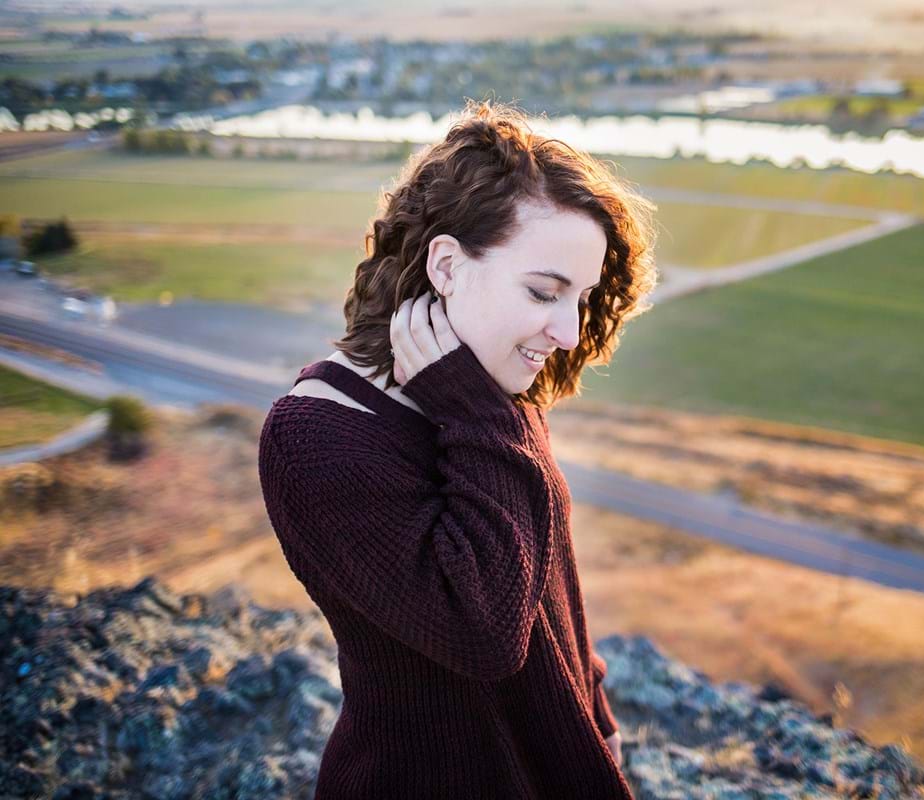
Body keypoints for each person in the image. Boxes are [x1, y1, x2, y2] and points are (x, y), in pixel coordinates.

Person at [257, 97, 658, 798]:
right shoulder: (316, 439)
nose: (568, 332)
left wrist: (593, 708)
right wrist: (473, 408)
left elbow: (549, 573)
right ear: (446, 265)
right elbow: (485, 633)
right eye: (544, 292)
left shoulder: (489, 391)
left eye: (581, 298)